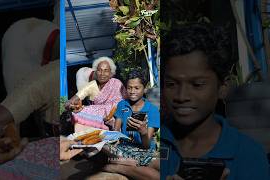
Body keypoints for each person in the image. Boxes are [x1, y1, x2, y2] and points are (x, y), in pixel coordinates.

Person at [161, 23, 270, 180]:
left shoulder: (248, 155)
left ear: (223, 87)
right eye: (171, 84)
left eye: (197, 85)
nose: (181, 96)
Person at [66, 56, 127, 131]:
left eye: (106, 70)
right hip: (98, 117)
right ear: (95, 71)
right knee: (78, 113)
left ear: (111, 73)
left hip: (117, 115)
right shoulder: (91, 85)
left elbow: (124, 102)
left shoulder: (117, 83)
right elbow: (71, 101)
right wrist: (72, 106)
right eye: (99, 70)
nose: (102, 74)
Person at [114, 69, 160, 149]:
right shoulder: (122, 105)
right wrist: (114, 139)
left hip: (144, 150)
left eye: (137, 88)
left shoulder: (152, 110)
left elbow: (146, 146)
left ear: (145, 89)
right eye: (129, 88)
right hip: (125, 147)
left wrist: (143, 132)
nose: (132, 91)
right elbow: (116, 130)